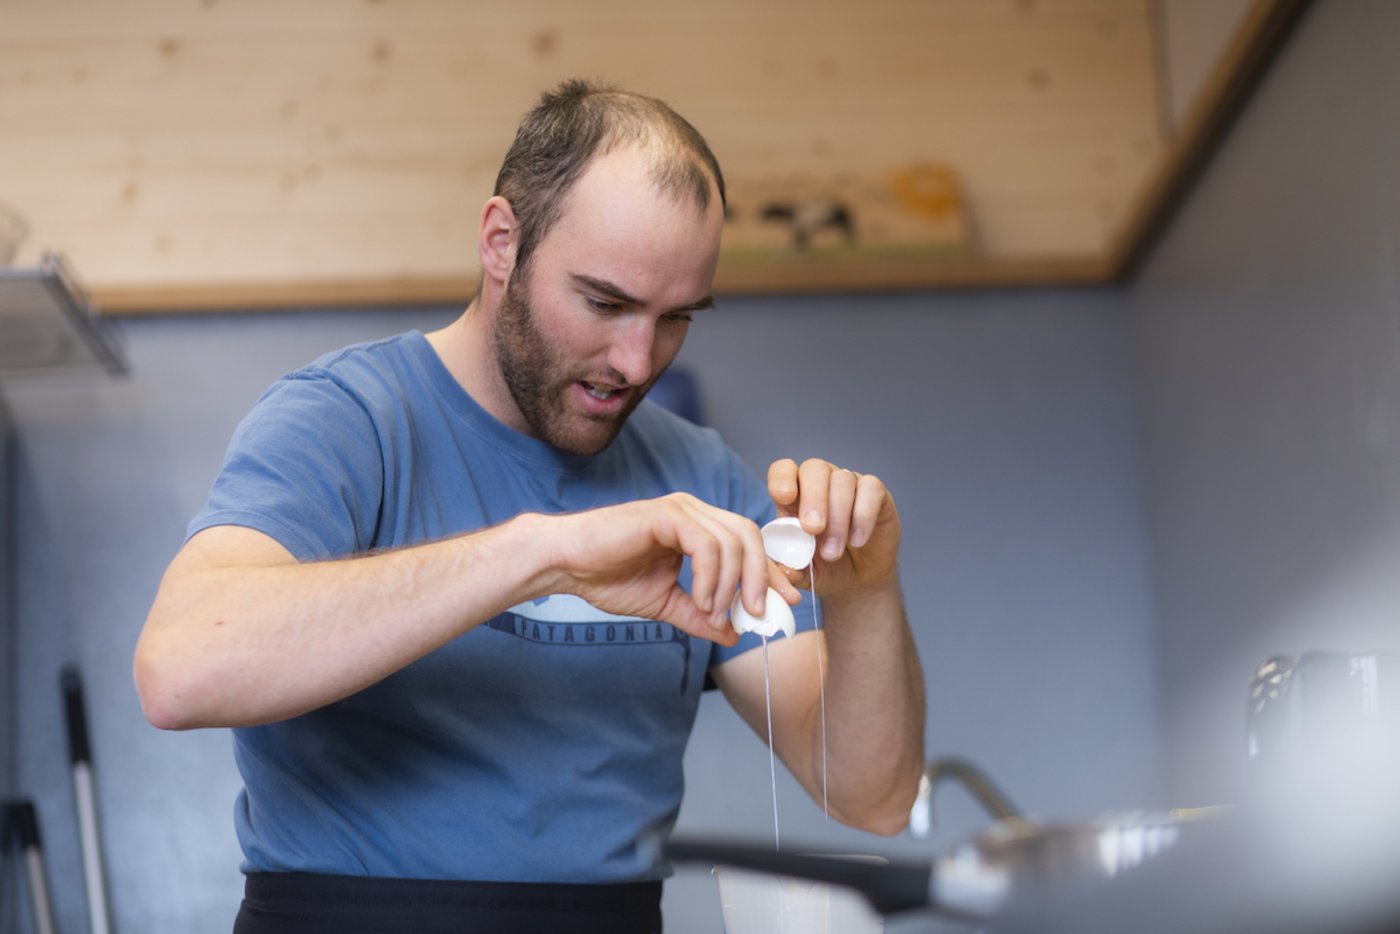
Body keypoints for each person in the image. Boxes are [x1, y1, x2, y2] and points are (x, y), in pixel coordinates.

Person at [134, 79, 925, 934]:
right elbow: (181, 671)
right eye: (606, 303)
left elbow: (872, 798)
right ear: (501, 243)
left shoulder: (700, 476)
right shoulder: (347, 421)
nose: (636, 360)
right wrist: (544, 556)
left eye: (676, 318)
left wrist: (865, 589)